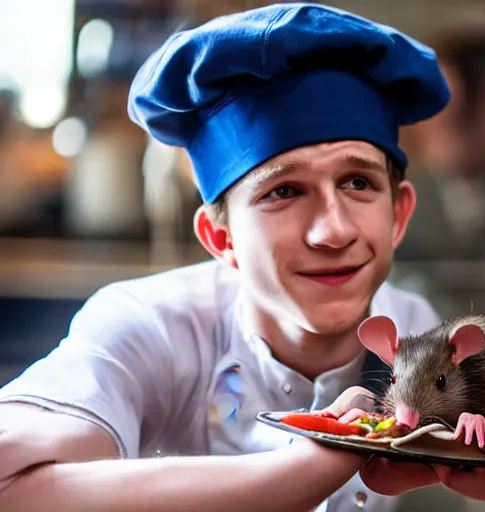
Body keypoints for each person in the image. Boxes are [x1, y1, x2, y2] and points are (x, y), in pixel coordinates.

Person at [0, 3, 461, 511]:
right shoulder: (150, 326)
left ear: (398, 215)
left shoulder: (414, 330)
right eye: (284, 191)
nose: (333, 231)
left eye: (358, 182)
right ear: (221, 239)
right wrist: (307, 467)